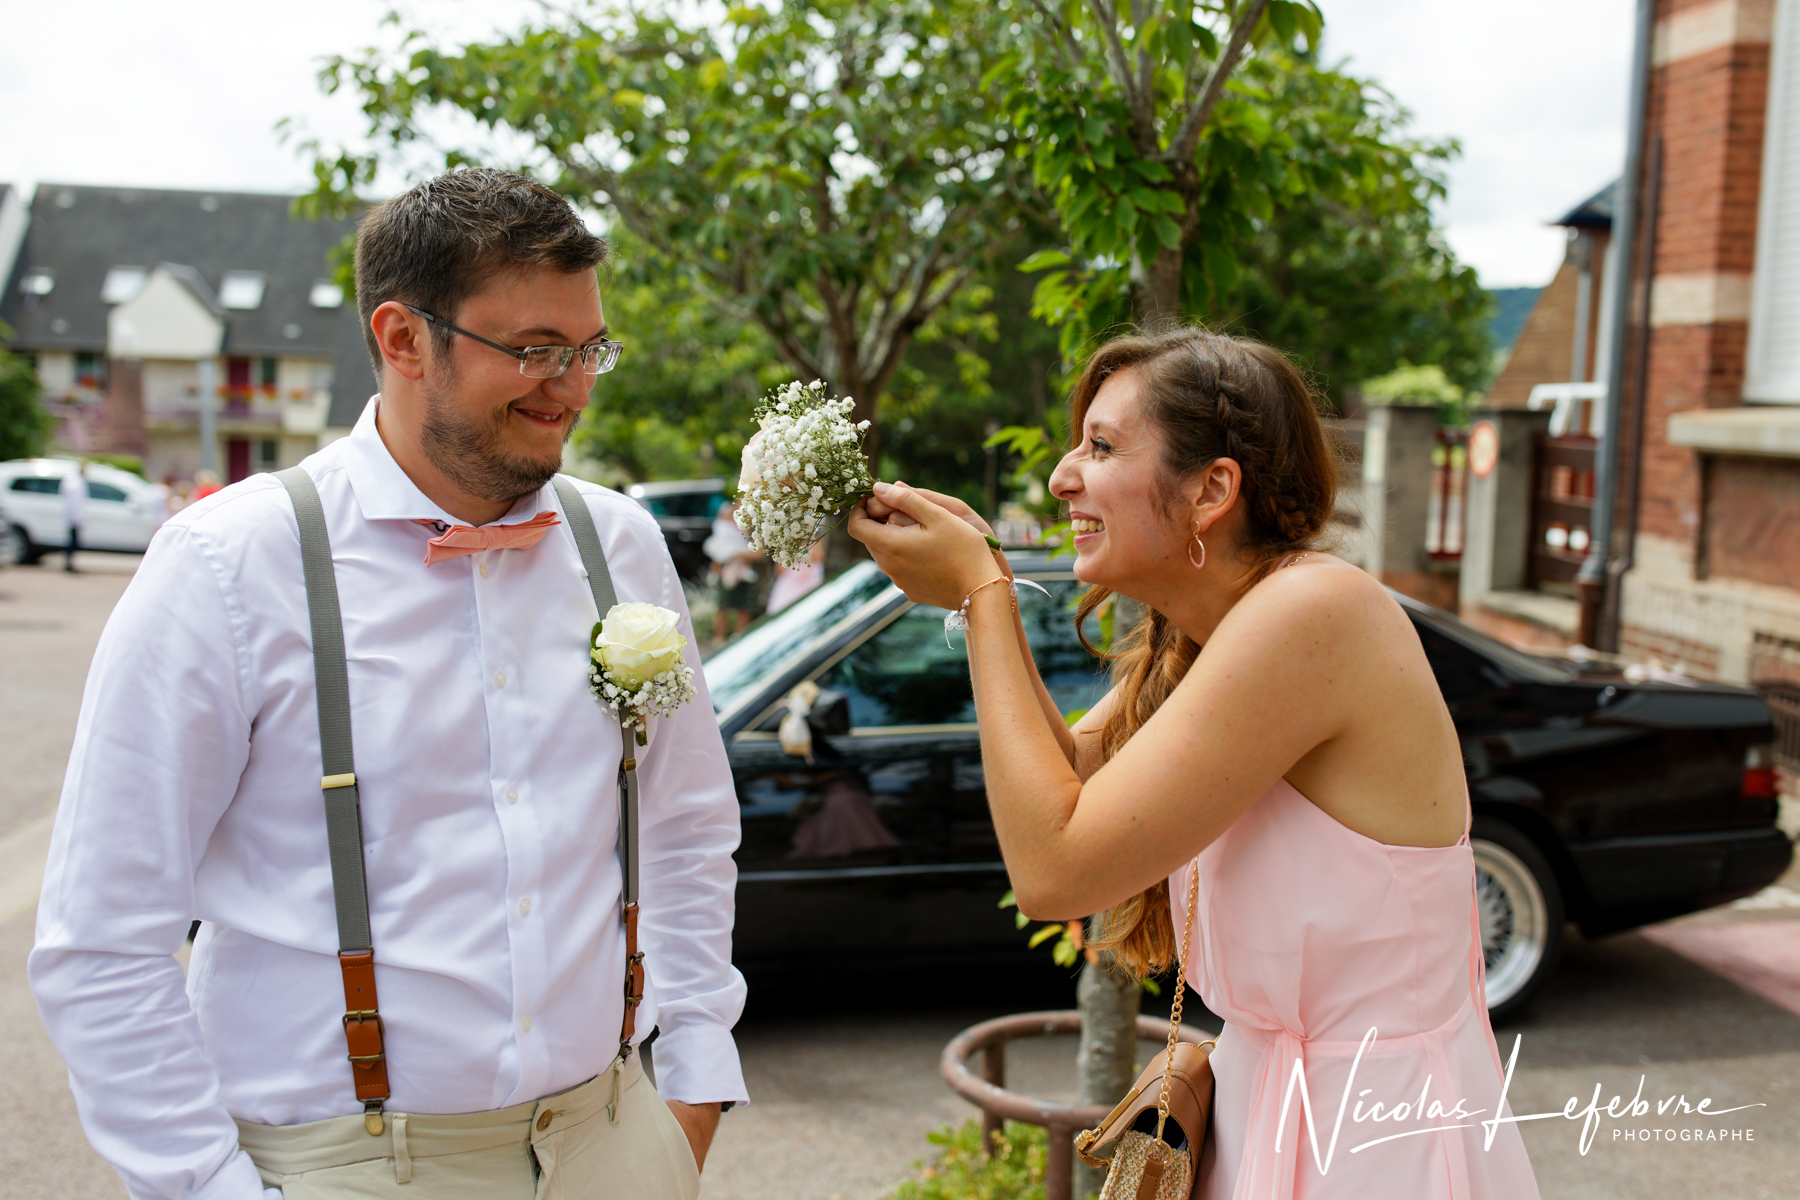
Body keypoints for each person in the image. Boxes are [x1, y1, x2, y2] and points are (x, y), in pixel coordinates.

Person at [31, 169, 746, 1200]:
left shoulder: (620, 546)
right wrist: (205, 1187)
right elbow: (101, 936)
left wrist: (692, 1086)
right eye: (535, 350)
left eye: (589, 349)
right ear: (405, 339)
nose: (574, 386)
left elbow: (684, 828)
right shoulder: (227, 568)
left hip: (614, 1138)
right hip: (351, 1165)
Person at [849, 326, 1540, 1199]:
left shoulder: (1313, 612)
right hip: (1265, 1106)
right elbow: (1071, 782)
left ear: (1213, 489)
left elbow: (1055, 870)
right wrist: (985, 578)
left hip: (1368, 1135)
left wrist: (984, 600)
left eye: (1100, 447)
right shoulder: (1205, 643)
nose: (1063, 476)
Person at [702, 501, 762, 640]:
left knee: (744, 608)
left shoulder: (752, 529)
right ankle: (719, 638)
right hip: (726, 571)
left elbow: (758, 554)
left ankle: (738, 638)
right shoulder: (723, 528)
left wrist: (738, 555)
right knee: (723, 606)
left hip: (744, 572)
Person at [59, 459, 87, 572]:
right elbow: (76, 503)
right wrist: (78, 519)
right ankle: (68, 564)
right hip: (73, 517)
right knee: (73, 542)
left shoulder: (74, 482)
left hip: (71, 517)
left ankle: (69, 563)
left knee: (72, 541)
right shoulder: (77, 484)